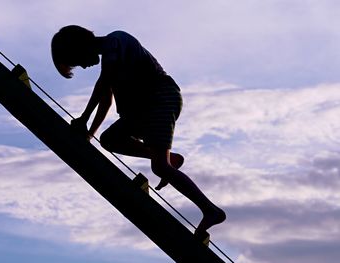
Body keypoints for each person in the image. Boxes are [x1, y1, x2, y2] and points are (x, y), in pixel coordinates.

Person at [51, 25, 225, 235]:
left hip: (159, 100)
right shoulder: (108, 59)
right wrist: (89, 133)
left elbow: (104, 82)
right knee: (110, 139)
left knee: (160, 167)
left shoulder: (115, 41)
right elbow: (106, 100)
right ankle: (170, 160)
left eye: (78, 61)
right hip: (141, 111)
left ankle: (210, 210)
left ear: (80, 46)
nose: (84, 66)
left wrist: (84, 118)